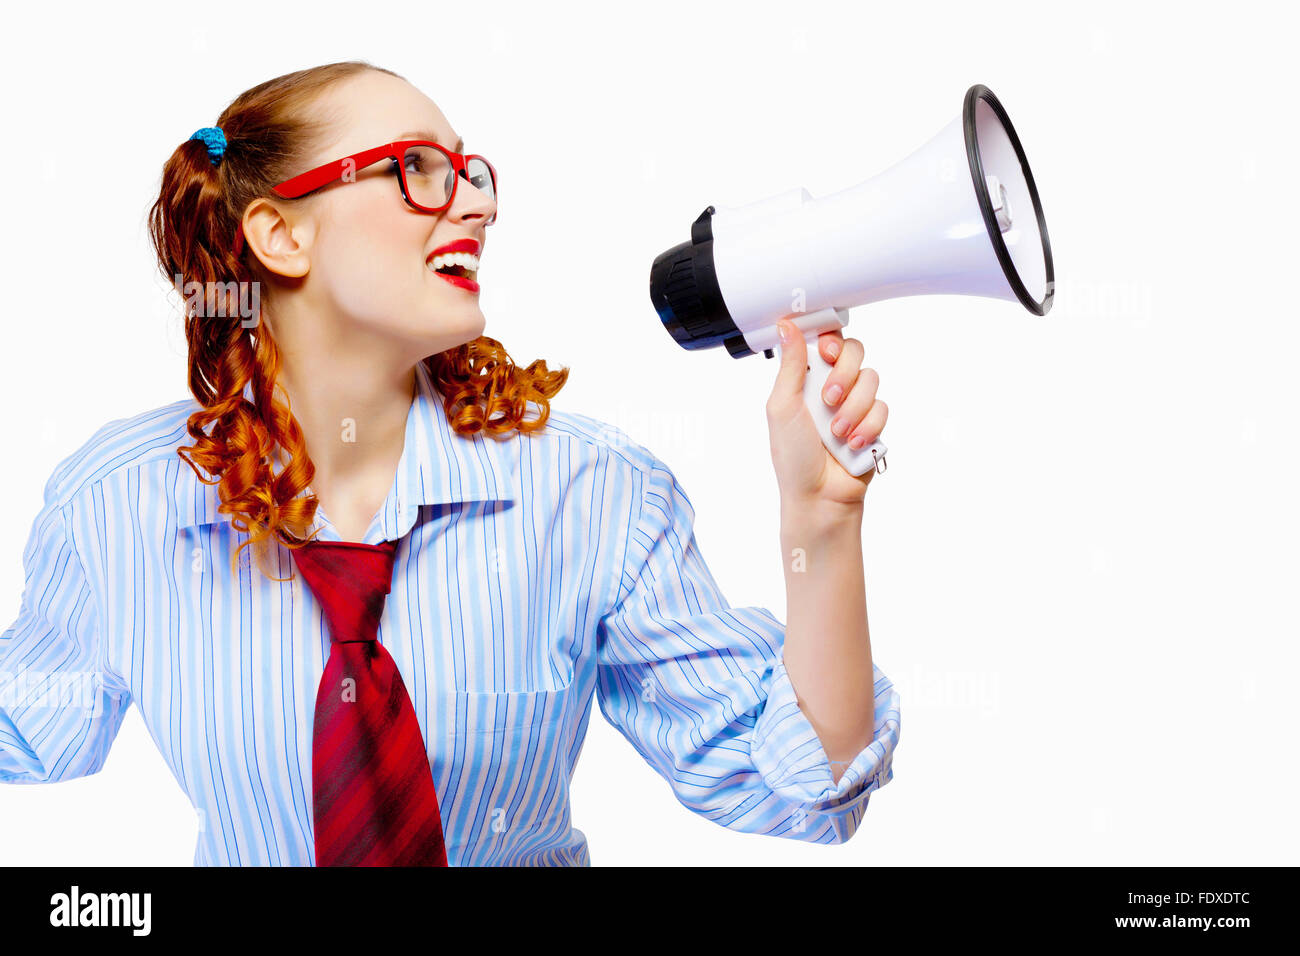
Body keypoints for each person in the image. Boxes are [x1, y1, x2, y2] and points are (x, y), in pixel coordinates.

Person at [0, 60, 900, 866]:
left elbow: (802, 789)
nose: (478, 202)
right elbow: (30, 732)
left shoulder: (589, 497)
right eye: (415, 170)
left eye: (468, 171)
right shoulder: (118, 507)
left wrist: (823, 524)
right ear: (281, 237)